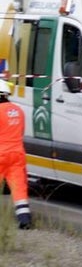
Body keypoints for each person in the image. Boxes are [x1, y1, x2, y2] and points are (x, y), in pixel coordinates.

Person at [0, 80, 31, 229]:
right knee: (19, 187)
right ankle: (24, 219)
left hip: (1, 154)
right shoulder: (18, 110)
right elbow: (21, 132)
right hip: (17, 154)